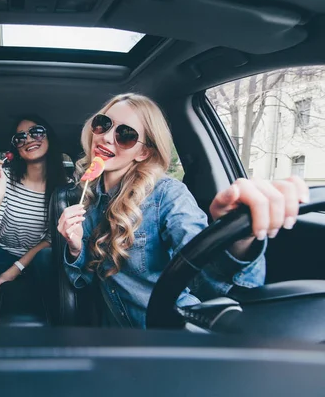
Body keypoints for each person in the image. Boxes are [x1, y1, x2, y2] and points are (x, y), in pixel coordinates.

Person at [58, 93, 309, 328]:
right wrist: (75, 247)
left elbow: (210, 277)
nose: (107, 137)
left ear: (143, 152)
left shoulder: (167, 194)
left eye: (125, 134)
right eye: (103, 124)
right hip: (119, 338)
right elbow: (83, 281)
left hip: (173, 334)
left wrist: (239, 235)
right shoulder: (88, 199)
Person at [0, 115, 67, 293]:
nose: (28, 139)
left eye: (36, 132)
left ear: (49, 138)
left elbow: (51, 239)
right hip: (2, 255)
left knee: (47, 257)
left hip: (39, 260)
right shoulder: (4, 179)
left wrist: (16, 268)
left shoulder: (63, 188)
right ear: (16, 149)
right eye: (20, 138)